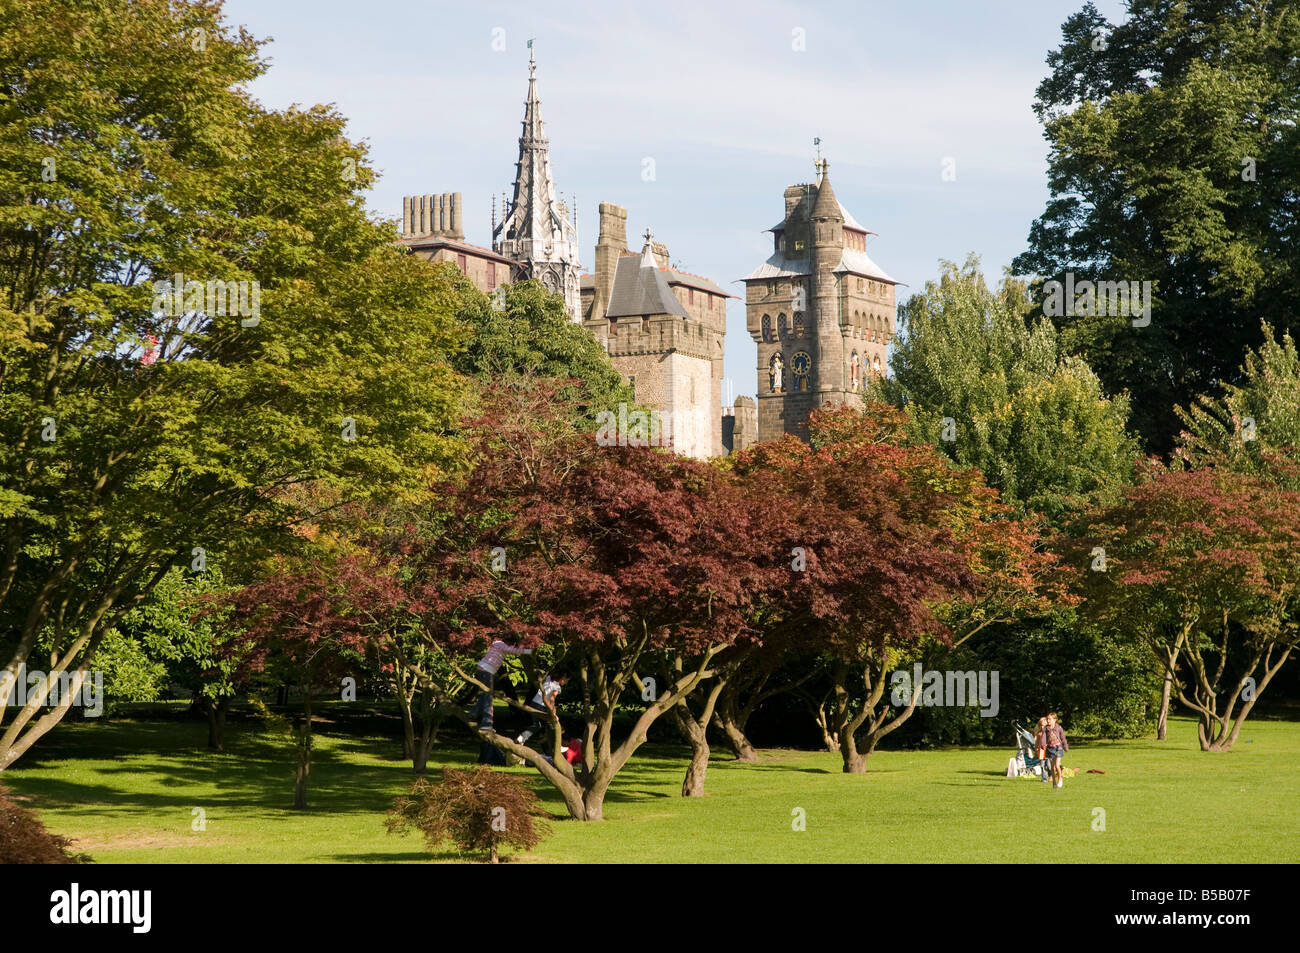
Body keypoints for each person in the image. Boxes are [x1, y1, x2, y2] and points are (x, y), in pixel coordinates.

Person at [468, 637, 532, 731]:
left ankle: (473, 714)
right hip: (486, 670)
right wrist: (529, 651)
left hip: (482, 669)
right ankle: (487, 724)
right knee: (488, 697)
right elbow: (512, 650)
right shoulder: (501, 644)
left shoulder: (497, 646)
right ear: (511, 643)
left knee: (486, 695)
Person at [516, 671, 568, 749]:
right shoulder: (557, 687)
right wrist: (552, 713)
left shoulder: (548, 678)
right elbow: (552, 699)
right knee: (554, 724)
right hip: (541, 706)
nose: (566, 682)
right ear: (563, 678)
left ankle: (521, 737)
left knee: (537, 725)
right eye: (567, 680)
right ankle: (557, 746)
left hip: (534, 703)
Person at [1044, 711, 1069, 788]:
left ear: (1055, 719)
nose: (1048, 721)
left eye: (1050, 719)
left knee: (1057, 765)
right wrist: (1042, 744)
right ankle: (1054, 782)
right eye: (1047, 719)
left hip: (1058, 748)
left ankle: (1060, 779)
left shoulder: (1059, 728)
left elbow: (1063, 738)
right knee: (1052, 767)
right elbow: (1043, 738)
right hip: (1050, 748)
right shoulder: (1046, 729)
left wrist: (1065, 747)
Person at [1034, 717, 1050, 784]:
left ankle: (1052, 775)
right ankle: (1044, 778)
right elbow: (1037, 742)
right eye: (1041, 722)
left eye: (1044, 721)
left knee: (1049, 765)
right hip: (1041, 750)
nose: (1042, 723)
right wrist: (1036, 749)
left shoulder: (1049, 731)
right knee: (1042, 765)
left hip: (1048, 749)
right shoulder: (1039, 733)